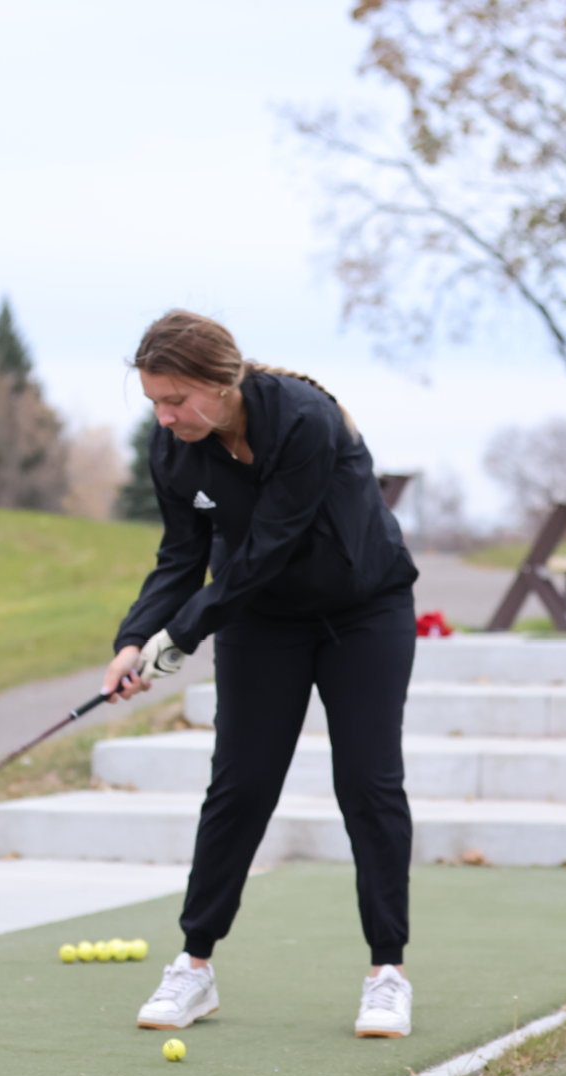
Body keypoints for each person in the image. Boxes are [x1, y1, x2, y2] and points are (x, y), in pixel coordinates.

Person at [101, 311, 420, 1039]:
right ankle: (194, 966)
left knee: (368, 783)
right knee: (241, 785)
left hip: (363, 612)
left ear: (222, 381)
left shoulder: (304, 420)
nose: (165, 415)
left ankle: (387, 972)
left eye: (177, 399)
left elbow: (271, 544)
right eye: (154, 400)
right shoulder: (174, 447)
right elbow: (182, 557)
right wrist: (133, 640)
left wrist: (180, 636)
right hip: (260, 622)